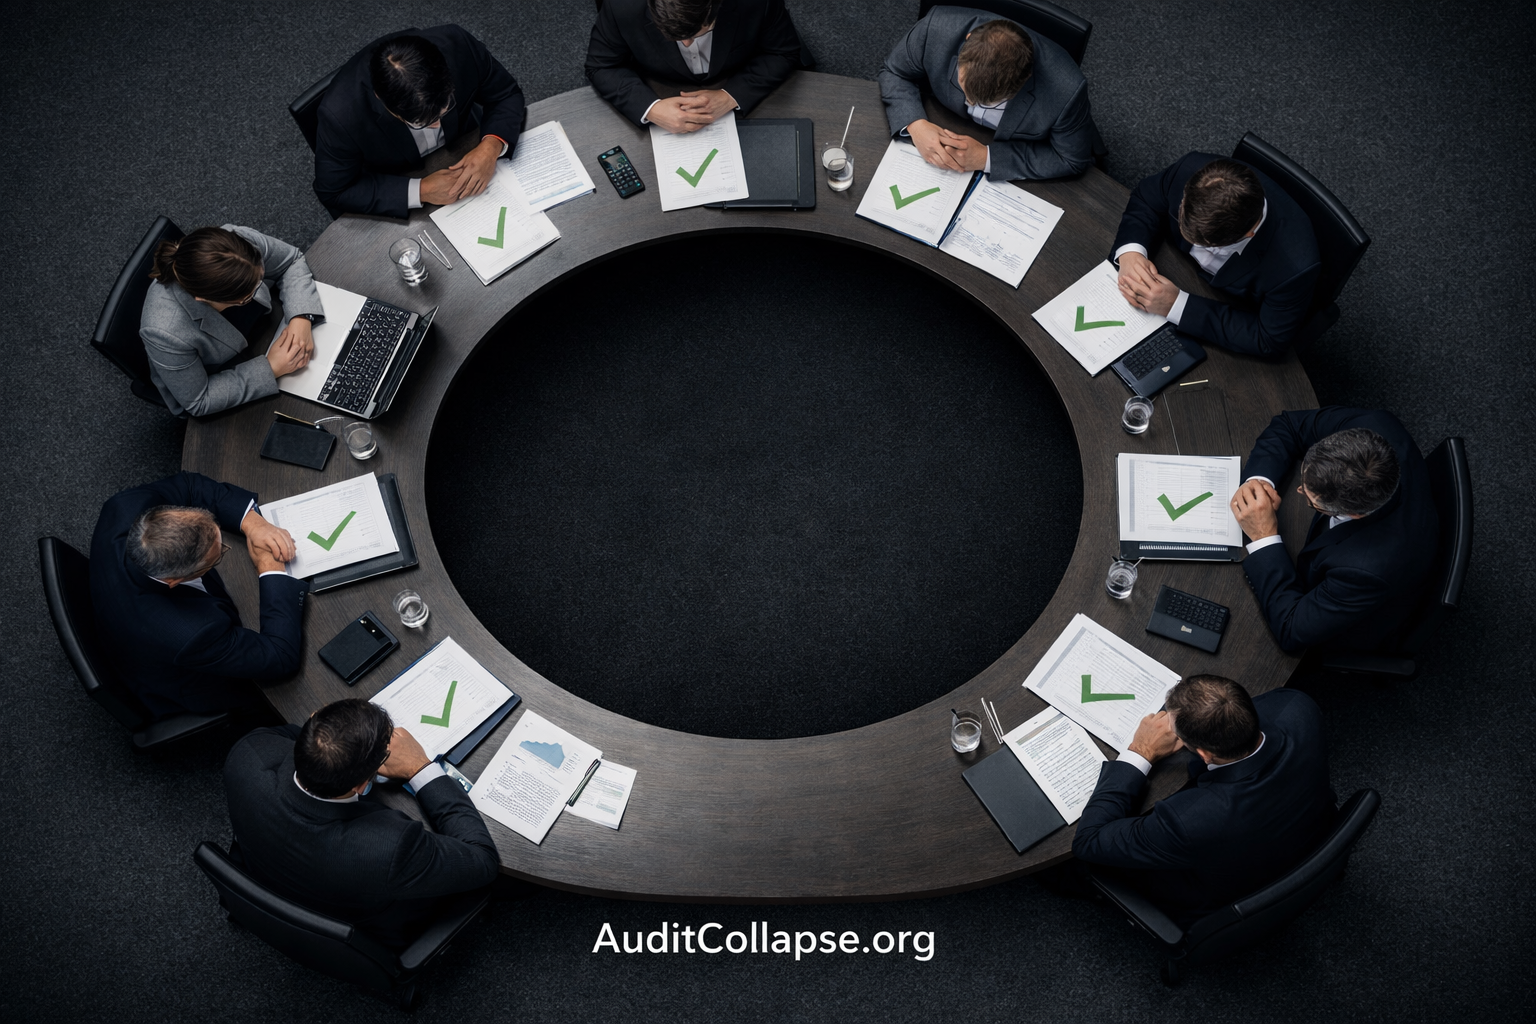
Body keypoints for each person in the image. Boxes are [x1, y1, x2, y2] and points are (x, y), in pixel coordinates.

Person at [223, 699, 499, 948]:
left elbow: (289, 738)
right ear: (361, 784)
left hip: (272, 870)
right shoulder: (389, 849)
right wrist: (419, 767)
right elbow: (483, 859)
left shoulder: (248, 754)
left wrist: (326, 735)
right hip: (367, 918)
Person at [1072, 675, 1337, 926]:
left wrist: (1141, 751)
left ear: (1204, 754)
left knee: (1069, 873)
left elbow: (1089, 840)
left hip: (1220, 892)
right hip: (1303, 829)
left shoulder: (1188, 819)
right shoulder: (1297, 706)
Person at [89, 472, 305, 718]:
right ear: (173, 580)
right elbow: (280, 657)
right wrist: (270, 568)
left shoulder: (125, 507)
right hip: (190, 683)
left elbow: (189, 487)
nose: (225, 548)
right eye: (218, 555)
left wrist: (253, 523)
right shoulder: (190, 633)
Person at [1230, 407, 1437, 653]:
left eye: (1309, 499)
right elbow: (1290, 425)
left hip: (1354, 621)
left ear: (1354, 514)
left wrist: (1263, 537)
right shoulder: (1372, 424)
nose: (1299, 489)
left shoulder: (1367, 570)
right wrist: (1260, 482)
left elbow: (1291, 632)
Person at [1111, 154, 1321, 356]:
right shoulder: (1189, 167)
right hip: (1174, 264)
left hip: (1228, 306)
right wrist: (1131, 252)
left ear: (1249, 233)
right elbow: (1147, 199)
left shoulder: (1295, 268)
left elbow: (1267, 339)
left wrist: (1176, 305)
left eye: (1206, 244)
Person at [314, 25, 526, 218]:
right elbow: (334, 191)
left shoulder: (458, 45)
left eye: (445, 108)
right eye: (421, 122)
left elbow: (505, 94)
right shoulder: (340, 116)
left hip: (464, 143)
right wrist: (421, 190)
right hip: (398, 176)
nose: (436, 125)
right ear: (381, 99)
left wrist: (491, 145)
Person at [878, 6, 1094, 180]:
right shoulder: (934, 28)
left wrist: (986, 158)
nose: (971, 102)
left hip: (1010, 146)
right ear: (967, 39)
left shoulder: (1067, 90)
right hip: (941, 117)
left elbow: (1071, 159)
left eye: (990, 102)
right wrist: (915, 125)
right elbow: (895, 71)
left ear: (1026, 77)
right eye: (965, 86)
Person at [139, 225, 323, 418]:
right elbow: (199, 400)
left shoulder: (237, 247)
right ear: (203, 299)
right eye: (246, 297)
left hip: (264, 327)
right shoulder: (163, 331)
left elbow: (291, 260)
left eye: (260, 280)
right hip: (224, 369)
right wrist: (271, 368)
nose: (258, 288)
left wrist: (301, 318)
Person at [584, 0, 805, 132]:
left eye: (698, 34)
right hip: (657, 85)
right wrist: (651, 109)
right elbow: (601, 66)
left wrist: (731, 96)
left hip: (740, 81)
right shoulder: (621, 6)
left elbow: (782, 51)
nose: (687, 44)